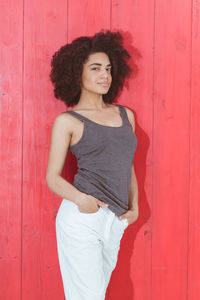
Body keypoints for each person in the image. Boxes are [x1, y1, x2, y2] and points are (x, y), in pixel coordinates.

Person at [46, 29, 139, 300]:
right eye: (96, 68)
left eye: (108, 69)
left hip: (116, 220)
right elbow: (52, 177)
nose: (105, 76)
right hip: (82, 217)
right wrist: (82, 200)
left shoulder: (125, 115)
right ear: (77, 73)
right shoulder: (69, 121)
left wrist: (135, 207)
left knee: (94, 295)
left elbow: (127, 165)